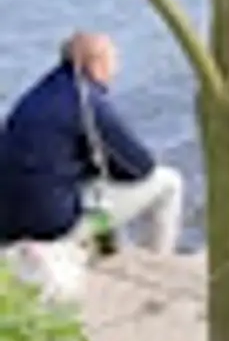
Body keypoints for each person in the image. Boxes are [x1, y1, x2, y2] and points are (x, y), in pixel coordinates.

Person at [0, 33, 184, 283]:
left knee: (97, 180)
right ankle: (159, 262)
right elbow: (140, 167)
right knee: (169, 183)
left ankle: (106, 251)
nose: (115, 71)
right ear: (96, 64)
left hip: (9, 223)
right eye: (113, 62)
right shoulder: (86, 102)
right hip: (49, 226)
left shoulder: (36, 96)